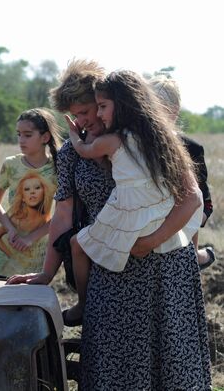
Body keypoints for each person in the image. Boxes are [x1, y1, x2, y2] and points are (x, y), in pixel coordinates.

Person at [8, 60, 211, 389]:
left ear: (111, 103)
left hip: (164, 269)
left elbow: (191, 199)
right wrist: (46, 273)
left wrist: (155, 241)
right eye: (77, 115)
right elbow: (62, 214)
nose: (86, 120)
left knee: (171, 364)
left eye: (90, 110)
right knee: (115, 369)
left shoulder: (153, 140)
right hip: (111, 273)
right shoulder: (75, 152)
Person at [62, 70, 202, 324]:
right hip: (159, 214)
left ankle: (83, 304)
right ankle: (201, 257)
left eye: (101, 107)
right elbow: (193, 198)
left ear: (123, 105)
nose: (100, 114)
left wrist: (74, 136)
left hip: (127, 214)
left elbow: (84, 150)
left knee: (77, 245)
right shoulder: (161, 139)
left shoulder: (113, 141)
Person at [150, 74, 216, 270]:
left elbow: (205, 203)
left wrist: (182, 228)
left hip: (180, 238)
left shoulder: (191, 149)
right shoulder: (133, 144)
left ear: (174, 111)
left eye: (158, 108)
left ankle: (196, 257)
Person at [0, 108, 61, 279]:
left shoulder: (57, 167)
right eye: (19, 134)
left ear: (45, 137)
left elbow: (62, 214)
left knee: (30, 302)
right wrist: (10, 229)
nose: (21, 140)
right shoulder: (11, 165)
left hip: (38, 251)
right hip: (7, 248)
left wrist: (31, 238)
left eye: (27, 135)